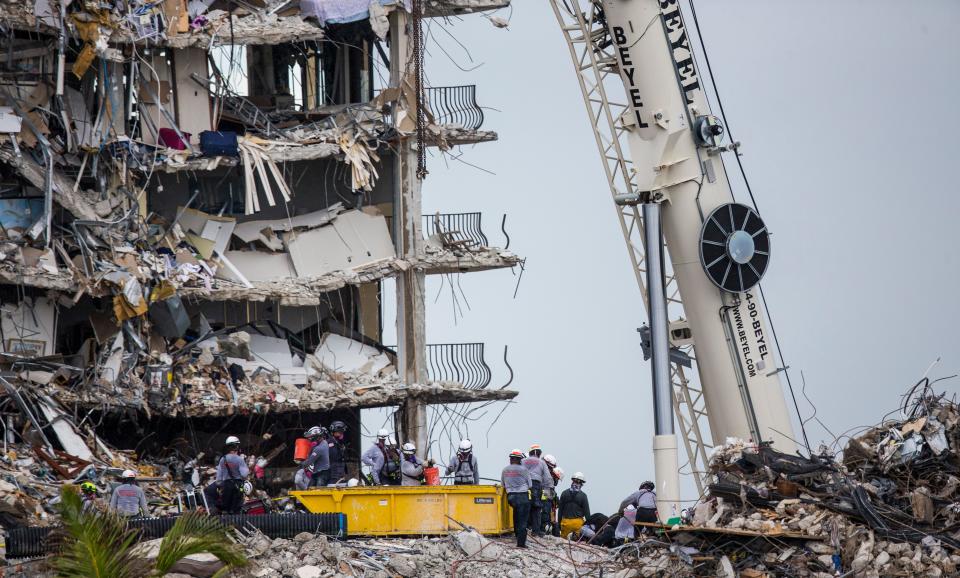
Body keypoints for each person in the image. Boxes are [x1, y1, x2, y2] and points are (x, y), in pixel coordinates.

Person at [501, 449, 533, 548]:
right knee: (523, 520)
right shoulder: (524, 470)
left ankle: (516, 535)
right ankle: (521, 543)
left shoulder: (505, 470)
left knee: (516, 514)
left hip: (511, 497)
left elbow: (503, 484)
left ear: (511, 459)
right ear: (520, 460)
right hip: (522, 496)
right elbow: (530, 485)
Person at [521, 444, 550, 537]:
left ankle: (523, 529)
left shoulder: (523, 461)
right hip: (536, 486)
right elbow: (547, 478)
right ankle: (535, 531)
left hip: (524, 485)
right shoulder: (542, 463)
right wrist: (546, 494)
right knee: (536, 508)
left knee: (524, 507)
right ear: (539, 453)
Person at [216, 435, 250, 514]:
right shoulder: (239, 459)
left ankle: (226, 523)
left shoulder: (223, 459)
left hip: (226, 485)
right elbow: (244, 474)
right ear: (236, 446)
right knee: (236, 508)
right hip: (238, 485)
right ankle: (237, 523)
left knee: (226, 507)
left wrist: (220, 486)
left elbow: (218, 478)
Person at [558, 472, 590, 538]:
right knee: (576, 542)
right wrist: (589, 526)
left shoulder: (564, 493)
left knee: (564, 542)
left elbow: (560, 511)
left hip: (565, 524)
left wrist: (559, 524)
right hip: (578, 524)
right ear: (581, 483)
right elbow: (587, 514)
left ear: (572, 481)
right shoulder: (583, 496)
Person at [540, 454, 559, 534]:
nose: (551, 469)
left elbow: (553, 485)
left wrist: (554, 496)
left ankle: (545, 526)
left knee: (547, 509)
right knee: (545, 509)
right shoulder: (541, 471)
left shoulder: (548, 473)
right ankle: (544, 526)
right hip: (544, 491)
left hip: (547, 492)